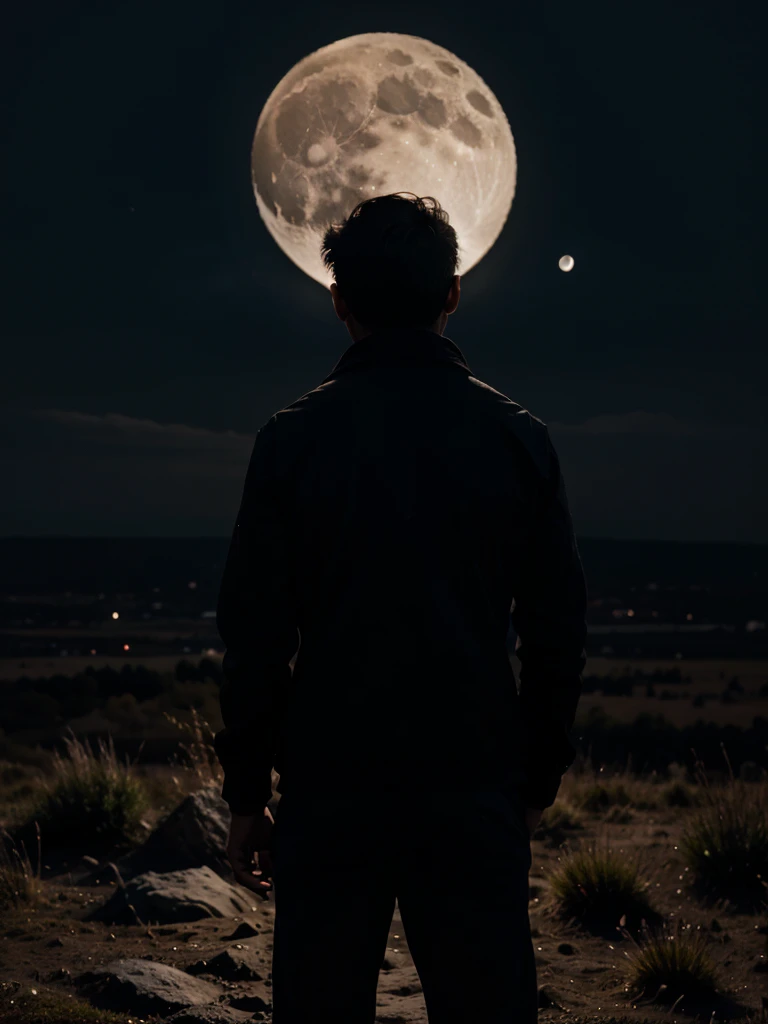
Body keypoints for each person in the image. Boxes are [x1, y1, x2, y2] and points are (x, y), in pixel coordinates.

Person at [214, 192, 588, 1023]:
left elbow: (255, 639)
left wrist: (248, 799)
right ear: (452, 291)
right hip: (473, 783)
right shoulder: (517, 438)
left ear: (339, 299)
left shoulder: (291, 441)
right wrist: (534, 782)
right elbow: (559, 632)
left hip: (329, 788)